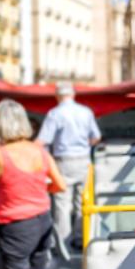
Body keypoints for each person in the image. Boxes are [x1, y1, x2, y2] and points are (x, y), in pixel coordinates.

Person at [0, 99, 66, 269]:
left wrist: (17, 190)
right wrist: (35, 189)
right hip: (43, 220)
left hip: (16, 226)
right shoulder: (39, 150)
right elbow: (60, 185)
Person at [37, 81, 101, 249]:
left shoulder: (54, 114)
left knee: (62, 204)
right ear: (73, 95)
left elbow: (43, 141)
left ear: (57, 96)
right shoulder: (86, 112)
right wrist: (84, 145)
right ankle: (81, 240)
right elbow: (96, 137)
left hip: (63, 162)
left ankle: (63, 244)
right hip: (84, 161)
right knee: (83, 202)